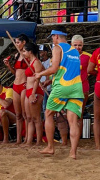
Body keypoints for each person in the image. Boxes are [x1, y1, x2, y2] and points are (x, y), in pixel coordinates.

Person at [35, 29, 84, 159]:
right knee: (73, 121)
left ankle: (50, 147)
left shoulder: (57, 48)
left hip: (62, 86)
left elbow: (54, 68)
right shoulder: (74, 50)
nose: (52, 40)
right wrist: (50, 80)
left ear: (56, 36)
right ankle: (73, 153)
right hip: (77, 87)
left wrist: (40, 74)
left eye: (52, 38)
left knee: (48, 113)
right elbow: (67, 69)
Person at [4, 33, 30, 145]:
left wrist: (24, 55)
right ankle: (19, 139)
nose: (16, 44)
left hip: (24, 84)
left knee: (25, 114)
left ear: (24, 42)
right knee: (18, 114)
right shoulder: (16, 55)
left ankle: (27, 137)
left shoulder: (28, 54)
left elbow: (31, 68)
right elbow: (16, 73)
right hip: (16, 84)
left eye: (18, 42)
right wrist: (9, 66)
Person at [20, 41, 46, 147]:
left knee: (36, 118)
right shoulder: (30, 62)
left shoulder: (36, 62)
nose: (23, 53)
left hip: (35, 91)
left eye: (25, 51)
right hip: (28, 90)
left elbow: (37, 79)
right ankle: (29, 140)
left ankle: (39, 140)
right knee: (29, 117)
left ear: (30, 52)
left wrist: (33, 93)